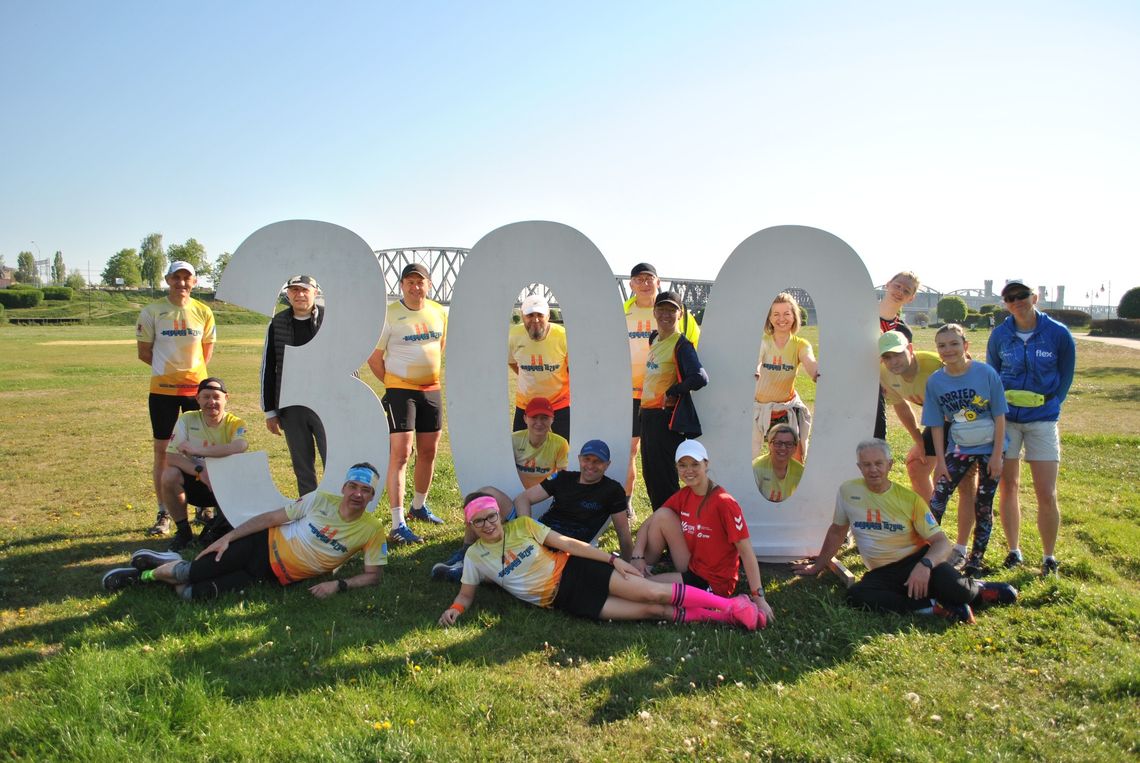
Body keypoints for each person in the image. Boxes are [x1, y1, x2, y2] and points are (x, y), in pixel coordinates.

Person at [437, 494, 764, 630]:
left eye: (491, 516)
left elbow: (566, 544)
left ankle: (731, 606)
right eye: (479, 522)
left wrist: (612, 559)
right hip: (565, 600)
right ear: (471, 526)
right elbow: (466, 594)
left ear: (498, 513)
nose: (488, 524)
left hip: (578, 570)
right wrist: (457, 609)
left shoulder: (522, 527)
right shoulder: (476, 557)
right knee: (653, 611)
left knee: (654, 593)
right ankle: (725, 618)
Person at [792, 440, 1018, 624]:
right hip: (883, 572)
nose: (873, 470)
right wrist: (818, 566)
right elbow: (837, 531)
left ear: (890, 464)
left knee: (956, 590)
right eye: (867, 465)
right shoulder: (848, 492)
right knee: (857, 597)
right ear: (859, 467)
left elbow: (941, 542)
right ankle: (933, 607)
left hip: (917, 561)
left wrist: (924, 566)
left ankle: (977, 590)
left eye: (879, 463)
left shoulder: (909, 500)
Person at [102, 464, 388, 601]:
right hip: (260, 545)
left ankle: (166, 561)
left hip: (271, 575)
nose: (358, 495)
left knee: (191, 594)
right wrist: (228, 538)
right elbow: (270, 518)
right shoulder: (320, 500)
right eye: (353, 487)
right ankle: (143, 576)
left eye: (365, 490)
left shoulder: (372, 530)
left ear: (372, 496)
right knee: (190, 574)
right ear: (344, 488)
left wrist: (338, 585)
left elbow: (374, 576)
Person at [631, 441, 775, 625]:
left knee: (643, 593)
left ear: (706, 464)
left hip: (713, 582)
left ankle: (730, 606)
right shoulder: (685, 494)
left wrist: (759, 597)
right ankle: (642, 571)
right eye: (682, 465)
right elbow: (648, 524)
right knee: (662, 515)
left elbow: (747, 553)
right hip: (693, 566)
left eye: (695, 464)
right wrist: (637, 557)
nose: (688, 470)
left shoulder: (724, 503)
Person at [987, 279, 1076, 575]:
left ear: (1034, 297)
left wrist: (1051, 403)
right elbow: (993, 375)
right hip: (1008, 420)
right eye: (1010, 298)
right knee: (1008, 486)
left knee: (1046, 492)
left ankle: (1049, 556)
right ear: (1005, 304)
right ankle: (1014, 551)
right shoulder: (1000, 335)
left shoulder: (1058, 333)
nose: (1016, 301)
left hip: (1042, 420)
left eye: (1021, 296)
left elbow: (1065, 375)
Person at [879, 330, 978, 565]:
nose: (894, 362)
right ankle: (932, 529)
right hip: (939, 421)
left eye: (898, 354)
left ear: (910, 350)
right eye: (887, 357)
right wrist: (919, 442)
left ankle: (961, 548)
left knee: (965, 482)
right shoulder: (885, 373)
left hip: (967, 420)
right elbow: (901, 407)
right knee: (917, 465)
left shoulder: (935, 366)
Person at [368, 262, 447, 544]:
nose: (415, 287)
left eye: (420, 282)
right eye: (410, 282)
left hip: (432, 389)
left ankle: (419, 506)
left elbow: (439, 345)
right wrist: (393, 384)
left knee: (429, 451)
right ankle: (398, 521)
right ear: (402, 285)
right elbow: (374, 358)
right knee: (401, 454)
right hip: (401, 391)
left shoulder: (438, 312)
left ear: (429, 284)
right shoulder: (389, 314)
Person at [136, 260, 216, 537]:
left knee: (200, 448)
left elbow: (206, 352)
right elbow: (145, 352)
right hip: (162, 392)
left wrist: (190, 377)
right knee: (163, 451)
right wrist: (169, 373)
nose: (181, 282)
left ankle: (205, 507)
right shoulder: (152, 311)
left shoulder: (204, 311)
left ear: (194, 282)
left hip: (195, 391)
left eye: (187, 278)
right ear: (168, 279)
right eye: (176, 277)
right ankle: (163, 512)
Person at [922, 324, 1007, 576]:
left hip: (990, 448)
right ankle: (926, 552)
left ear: (965, 346)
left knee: (983, 503)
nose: (948, 350)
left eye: (954, 343)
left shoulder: (986, 373)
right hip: (958, 448)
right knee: (937, 499)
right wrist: (940, 461)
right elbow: (937, 425)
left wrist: (996, 455)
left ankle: (975, 560)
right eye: (942, 345)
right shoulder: (936, 381)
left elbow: (1000, 416)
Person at [623, 263, 700, 514]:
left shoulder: (683, 333)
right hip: (636, 399)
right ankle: (637, 505)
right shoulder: (647, 331)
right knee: (639, 457)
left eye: (649, 278)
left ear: (658, 282)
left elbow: (696, 366)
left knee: (666, 466)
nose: (644, 283)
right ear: (631, 284)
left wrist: (673, 391)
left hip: (665, 409)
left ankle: (675, 516)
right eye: (638, 279)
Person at [160, 377, 249, 550]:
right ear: (197, 399)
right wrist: (200, 470)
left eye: (216, 397)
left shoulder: (235, 423)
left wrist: (197, 450)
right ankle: (184, 533)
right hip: (199, 480)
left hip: (226, 485)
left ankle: (220, 526)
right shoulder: (186, 419)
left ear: (226, 398)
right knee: (169, 475)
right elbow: (171, 457)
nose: (211, 402)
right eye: (206, 397)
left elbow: (240, 445)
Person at [639, 291, 708, 509]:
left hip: (664, 418)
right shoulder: (654, 338)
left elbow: (699, 377)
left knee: (664, 478)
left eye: (672, 310)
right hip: (647, 415)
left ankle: (671, 525)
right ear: (654, 311)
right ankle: (660, 521)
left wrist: (673, 391)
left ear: (680, 314)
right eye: (662, 309)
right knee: (650, 474)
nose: (666, 314)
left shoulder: (681, 345)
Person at [261, 274, 327, 496]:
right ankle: (309, 509)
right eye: (294, 290)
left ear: (315, 292)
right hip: (291, 404)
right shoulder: (277, 323)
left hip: (326, 403)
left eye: (305, 290)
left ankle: (338, 511)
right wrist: (270, 411)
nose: (300, 295)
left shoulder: (330, 319)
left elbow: (345, 361)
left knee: (334, 459)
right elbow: (269, 368)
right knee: (302, 466)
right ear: (287, 294)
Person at [514, 439, 633, 557]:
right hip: (538, 537)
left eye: (598, 461)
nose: (591, 466)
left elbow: (623, 533)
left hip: (568, 552)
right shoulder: (563, 478)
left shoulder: (612, 490)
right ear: (579, 459)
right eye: (587, 459)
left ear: (607, 465)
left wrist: (627, 563)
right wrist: (526, 530)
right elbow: (522, 498)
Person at [752, 292, 819, 460]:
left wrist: (816, 373)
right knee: (750, 457)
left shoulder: (800, 345)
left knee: (795, 456)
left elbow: (809, 361)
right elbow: (757, 360)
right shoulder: (763, 342)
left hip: (785, 408)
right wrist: (756, 369)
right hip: (760, 408)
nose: (782, 319)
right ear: (770, 318)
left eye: (787, 313)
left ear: (794, 316)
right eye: (776, 314)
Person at [508, 295, 570, 440]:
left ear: (548, 315)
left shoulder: (563, 336)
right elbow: (512, 362)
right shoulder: (513, 335)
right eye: (530, 315)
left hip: (559, 404)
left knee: (565, 450)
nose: (535, 320)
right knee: (520, 452)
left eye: (540, 315)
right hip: (526, 404)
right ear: (522, 316)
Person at [875, 271, 919, 439]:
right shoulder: (859, 312)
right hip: (845, 384)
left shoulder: (903, 331)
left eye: (907, 291)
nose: (900, 292)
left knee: (876, 441)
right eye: (897, 286)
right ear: (887, 284)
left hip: (876, 390)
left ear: (911, 298)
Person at [511, 397, 570, 489]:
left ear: (552, 419)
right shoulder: (513, 440)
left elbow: (562, 478)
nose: (539, 423)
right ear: (525, 418)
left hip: (545, 495)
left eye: (544, 418)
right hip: (516, 492)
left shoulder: (561, 443)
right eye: (534, 417)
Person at [751, 423, 804, 502]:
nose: (783, 448)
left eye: (789, 444)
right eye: (778, 443)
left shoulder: (800, 472)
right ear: (769, 445)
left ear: (795, 448)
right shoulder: (756, 467)